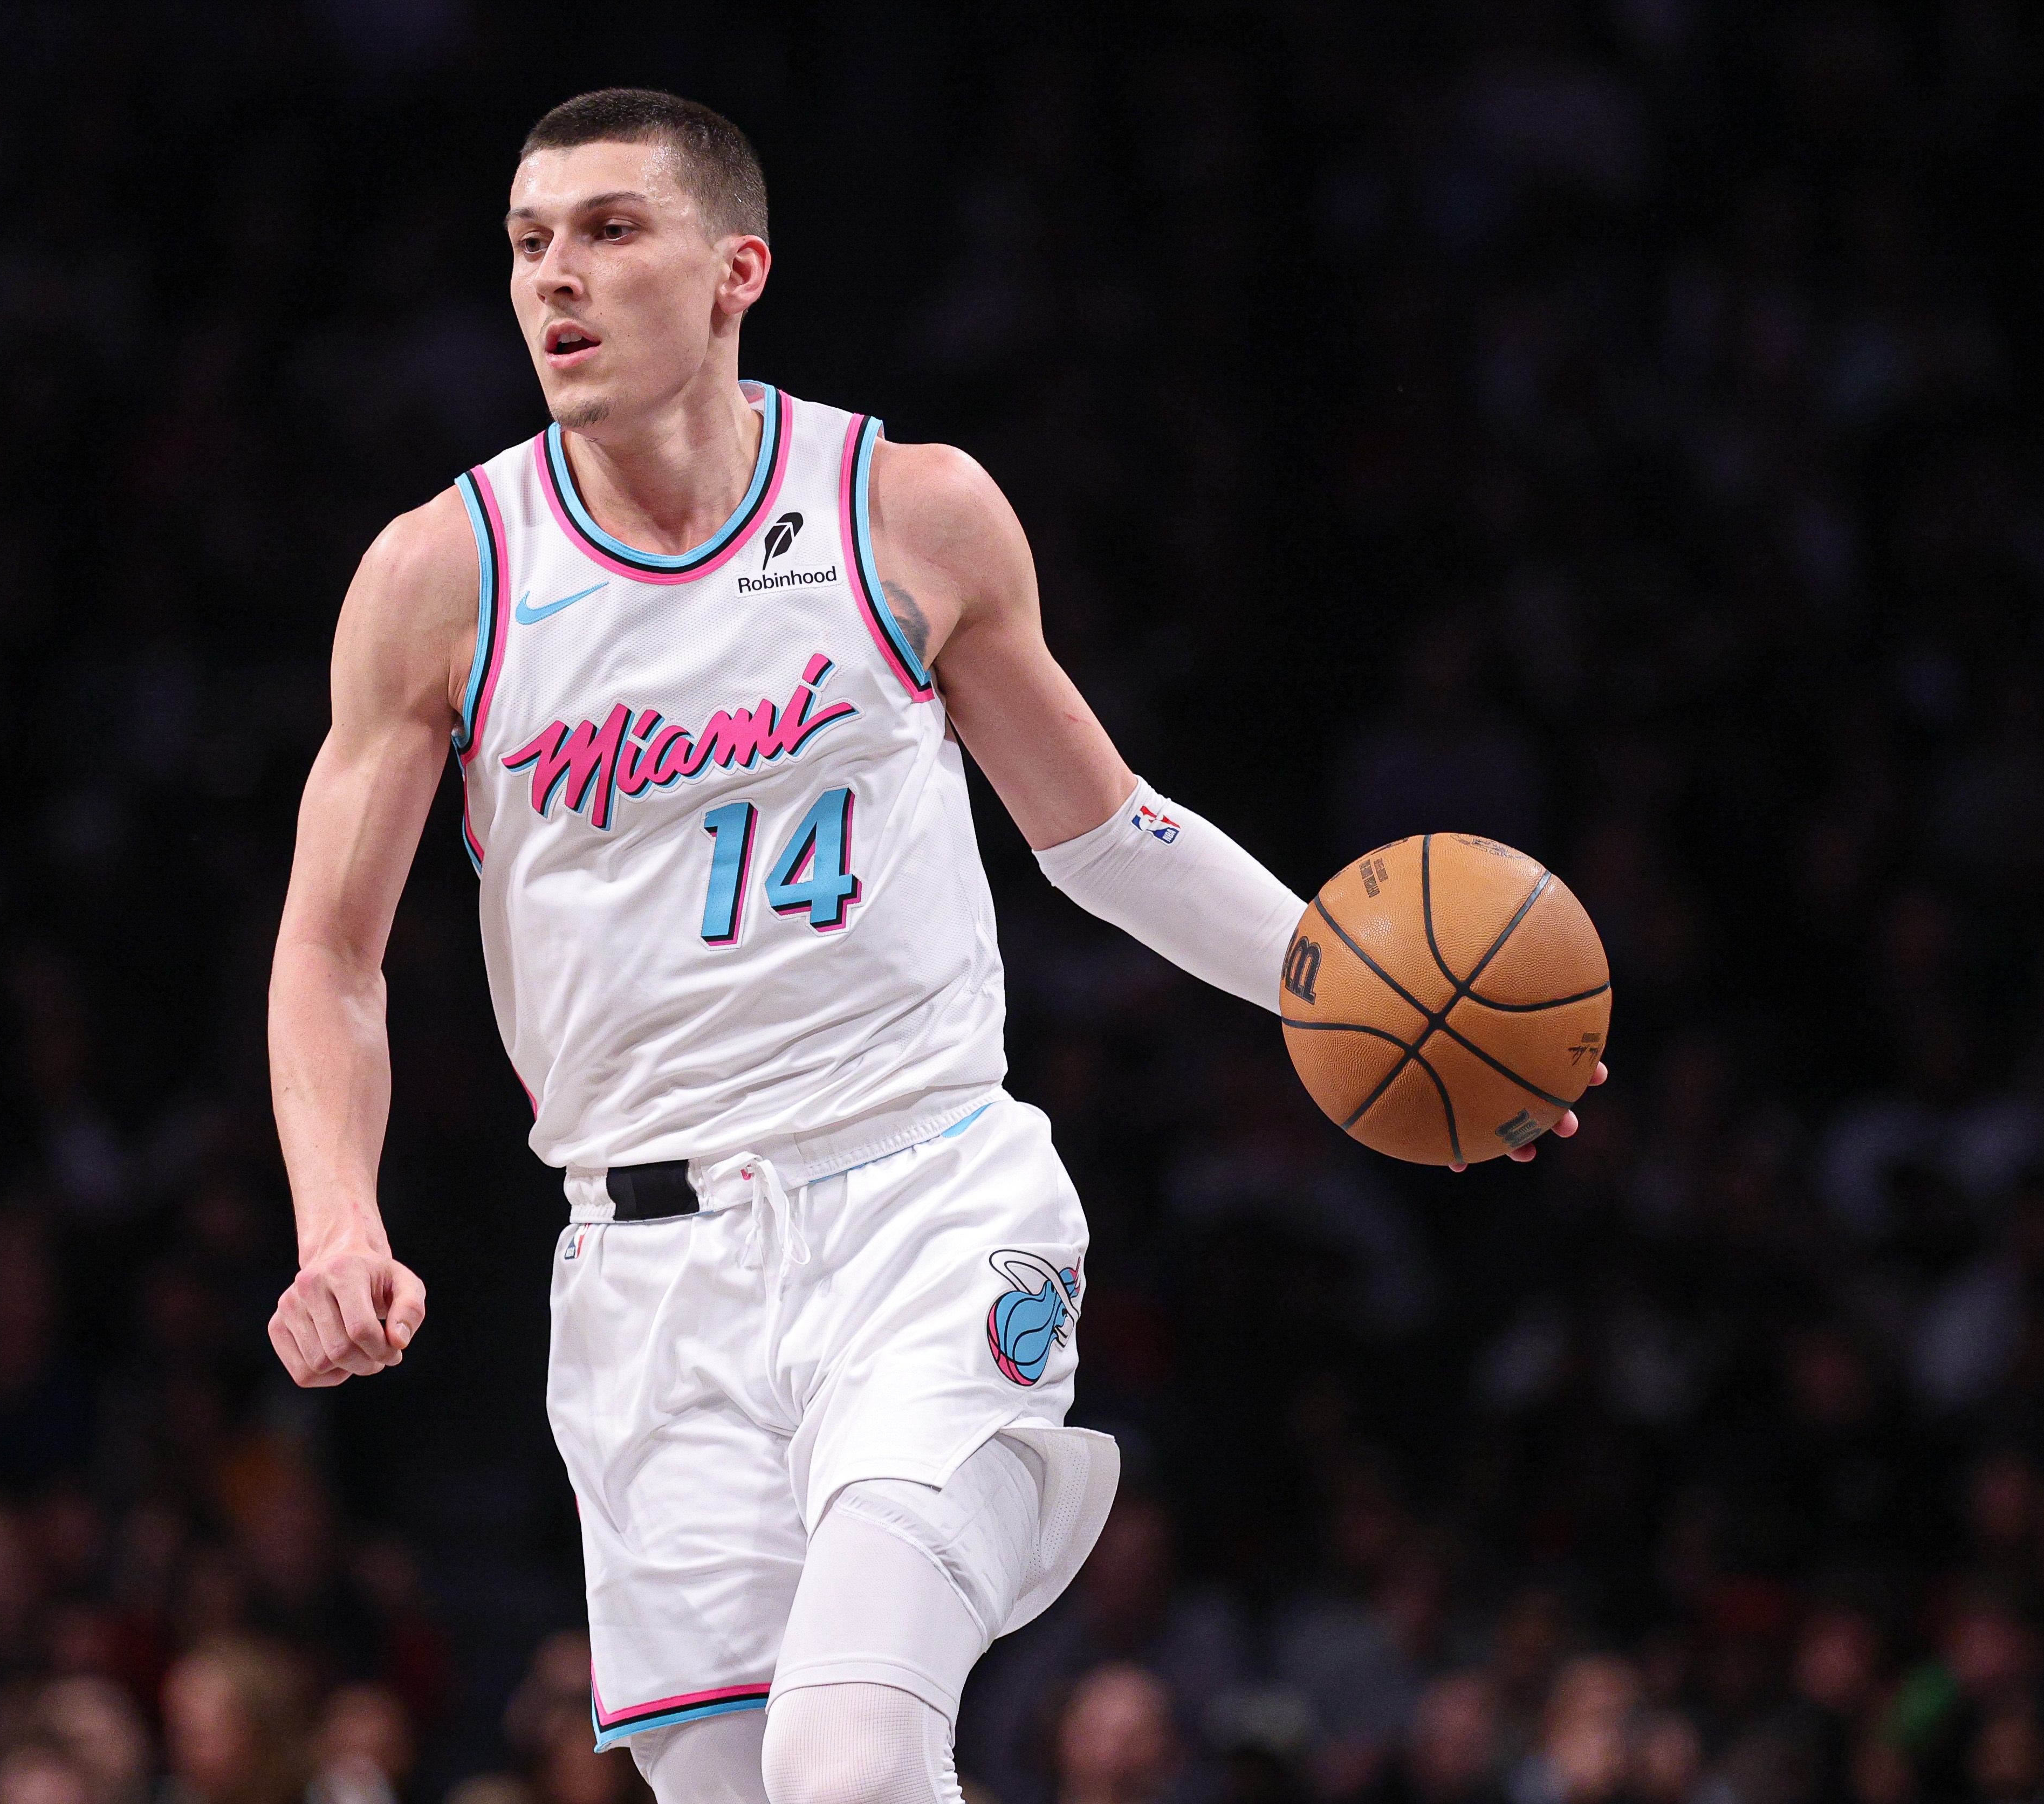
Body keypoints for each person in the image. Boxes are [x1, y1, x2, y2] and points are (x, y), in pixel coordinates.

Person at [263, 87, 1599, 1804]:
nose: (554, 278)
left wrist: (1362, 991)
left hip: (919, 1204)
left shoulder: (904, 510)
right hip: (646, 1280)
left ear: (736, 269)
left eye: (608, 230)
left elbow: (1106, 834)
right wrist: (337, 1218)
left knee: (847, 1755)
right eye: (528, 243)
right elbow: (331, 952)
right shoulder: (441, 576)